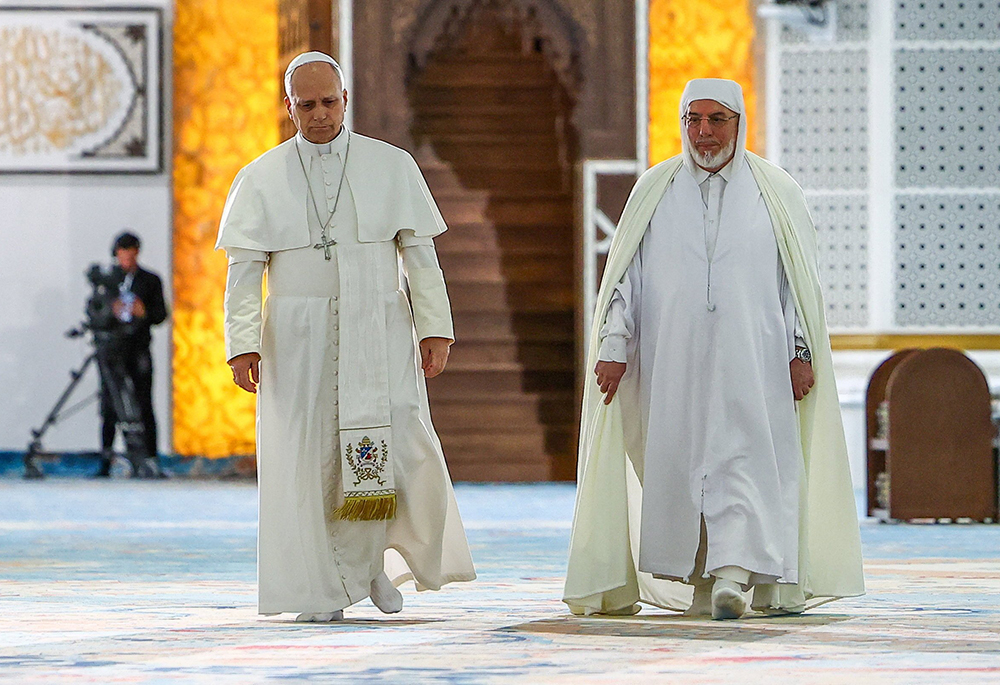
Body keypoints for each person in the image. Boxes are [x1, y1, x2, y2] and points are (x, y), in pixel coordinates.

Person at [563, 79, 864, 620]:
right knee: (681, 465)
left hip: (755, 360)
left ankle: (735, 574)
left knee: (746, 461)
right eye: (693, 119)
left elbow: (796, 283)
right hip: (670, 361)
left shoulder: (776, 191)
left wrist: (800, 351)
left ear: (738, 123)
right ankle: (704, 578)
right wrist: (613, 344)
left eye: (716, 119)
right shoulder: (654, 189)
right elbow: (626, 278)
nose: (704, 132)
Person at [218, 51, 475, 622]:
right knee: (307, 457)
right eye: (306, 105)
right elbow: (243, 271)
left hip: (377, 327)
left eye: (329, 102)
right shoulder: (260, 177)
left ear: (345, 100)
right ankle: (322, 587)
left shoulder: (392, 165)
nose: (320, 115)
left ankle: (371, 565)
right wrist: (242, 343)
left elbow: (421, 256)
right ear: (289, 108)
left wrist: (436, 328)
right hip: (296, 336)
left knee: (395, 444)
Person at [98, 231, 168, 476]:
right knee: (109, 405)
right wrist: (110, 310)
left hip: (138, 348)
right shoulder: (108, 281)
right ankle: (106, 459)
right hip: (111, 350)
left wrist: (143, 312)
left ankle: (150, 459)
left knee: (143, 402)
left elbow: (161, 315)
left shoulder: (150, 280)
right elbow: (97, 312)